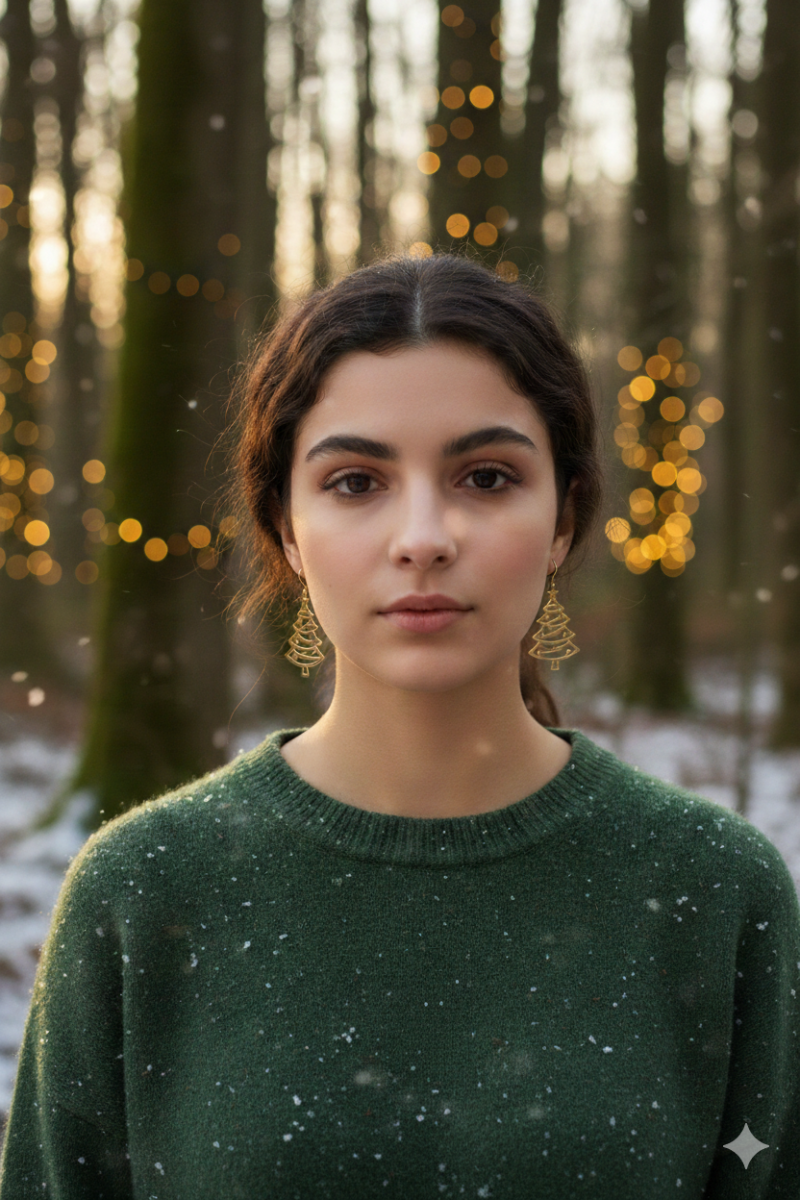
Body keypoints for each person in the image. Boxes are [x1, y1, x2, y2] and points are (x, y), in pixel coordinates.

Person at [1, 252, 799, 1199]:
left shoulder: (714, 890)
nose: (423, 537)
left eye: (487, 476)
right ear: (285, 527)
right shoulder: (143, 891)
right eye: (355, 482)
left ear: (564, 518)